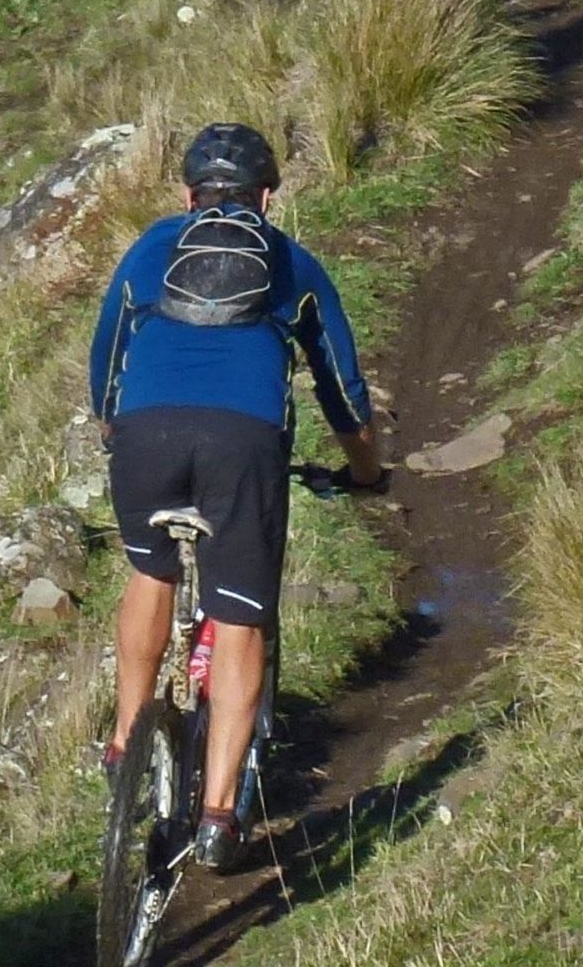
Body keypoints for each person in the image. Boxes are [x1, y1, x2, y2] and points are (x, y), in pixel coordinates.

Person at [88, 122, 385, 872]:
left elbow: (105, 356)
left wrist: (113, 429)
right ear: (269, 198)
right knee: (239, 617)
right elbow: (342, 391)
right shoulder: (294, 264)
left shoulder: (151, 247)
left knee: (151, 571)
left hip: (143, 433)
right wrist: (366, 473)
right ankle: (218, 814)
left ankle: (126, 736)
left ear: (187, 195)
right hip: (243, 443)